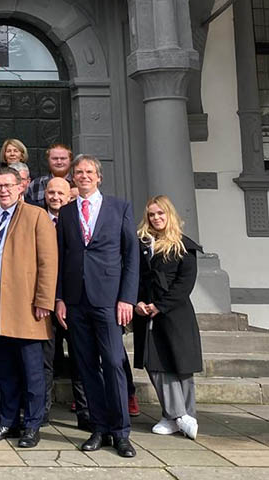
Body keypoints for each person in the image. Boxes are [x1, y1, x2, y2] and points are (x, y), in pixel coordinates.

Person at [54, 154, 139, 458]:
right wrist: (60, 298)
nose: (84, 176)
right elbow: (61, 259)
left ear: (99, 177)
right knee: (86, 364)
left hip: (108, 300)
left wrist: (127, 298)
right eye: (79, 172)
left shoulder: (120, 207)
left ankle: (121, 432)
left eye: (89, 171)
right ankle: (99, 428)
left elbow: (131, 257)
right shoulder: (65, 213)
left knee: (114, 363)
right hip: (76, 301)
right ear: (72, 178)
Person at [0, 167, 57, 449]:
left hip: (26, 304)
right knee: (3, 368)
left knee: (32, 369)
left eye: (9, 185)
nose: (3, 190)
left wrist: (44, 300)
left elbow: (48, 262)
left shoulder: (36, 216)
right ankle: (7, 421)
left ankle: (32, 425)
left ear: (21, 186)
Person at [134, 195, 203, 440]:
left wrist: (159, 306)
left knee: (181, 366)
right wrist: (139, 303)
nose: (156, 218)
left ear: (169, 214)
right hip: (147, 312)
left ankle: (182, 416)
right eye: (152, 214)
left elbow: (185, 284)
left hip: (175, 314)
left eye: (160, 213)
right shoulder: (142, 244)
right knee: (157, 365)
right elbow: (137, 277)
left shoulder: (184, 246)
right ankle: (177, 415)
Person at [39, 177, 91, 430]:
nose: (55, 197)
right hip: (44, 302)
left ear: (69, 196)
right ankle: (42, 412)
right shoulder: (38, 218)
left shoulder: (78, 220)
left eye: (60, 192)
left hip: (75, 301)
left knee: (80, 358)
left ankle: (85, 413)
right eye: (51, 192)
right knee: (45, 360)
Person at [25, 143, 75, 208]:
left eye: (63, 158)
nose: (59, 162)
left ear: (70, 160)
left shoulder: (78, 184)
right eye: (55, 158)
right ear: (48, 160)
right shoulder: (35, 184)